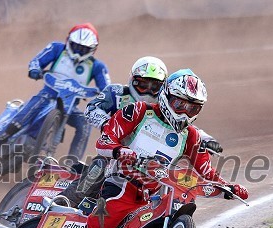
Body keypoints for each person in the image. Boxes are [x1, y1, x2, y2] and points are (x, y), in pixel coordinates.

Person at [14, 69, 249, 228]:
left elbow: (205, 171)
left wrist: (229, 187)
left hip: (152, 198)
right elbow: (105, 140)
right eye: (179, 103)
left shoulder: (190, 135)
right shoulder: (138, 112)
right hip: (121, 185)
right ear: (166, 96)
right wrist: (119, 151)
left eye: (192, 108)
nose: (184, 112)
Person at [60, 56, 223, 208]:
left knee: (171, 179)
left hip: (151, 163)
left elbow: (187, 129)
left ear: (164, 88)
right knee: (100, 164)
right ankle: (66, 200)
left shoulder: (167, 107)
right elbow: (92, 108)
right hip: (116, 153)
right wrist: (108, 125)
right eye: (143, 84)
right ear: (132, 80)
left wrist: (207, 139)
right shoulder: (116, 93)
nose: (147, 91)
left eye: (155, 87)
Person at [0, 23, 111, 161]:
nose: (79, 51)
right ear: (68, 41)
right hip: (46, 96)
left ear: (93, 49)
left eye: (84, 49)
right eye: (76, 46)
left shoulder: (98, 67)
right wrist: (35, 70)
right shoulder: (56, 49)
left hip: (70, 106)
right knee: (18, 122)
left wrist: (106, 98)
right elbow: (36, 61)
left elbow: (107, 89)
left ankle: (73, 166)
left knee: (85, 123)